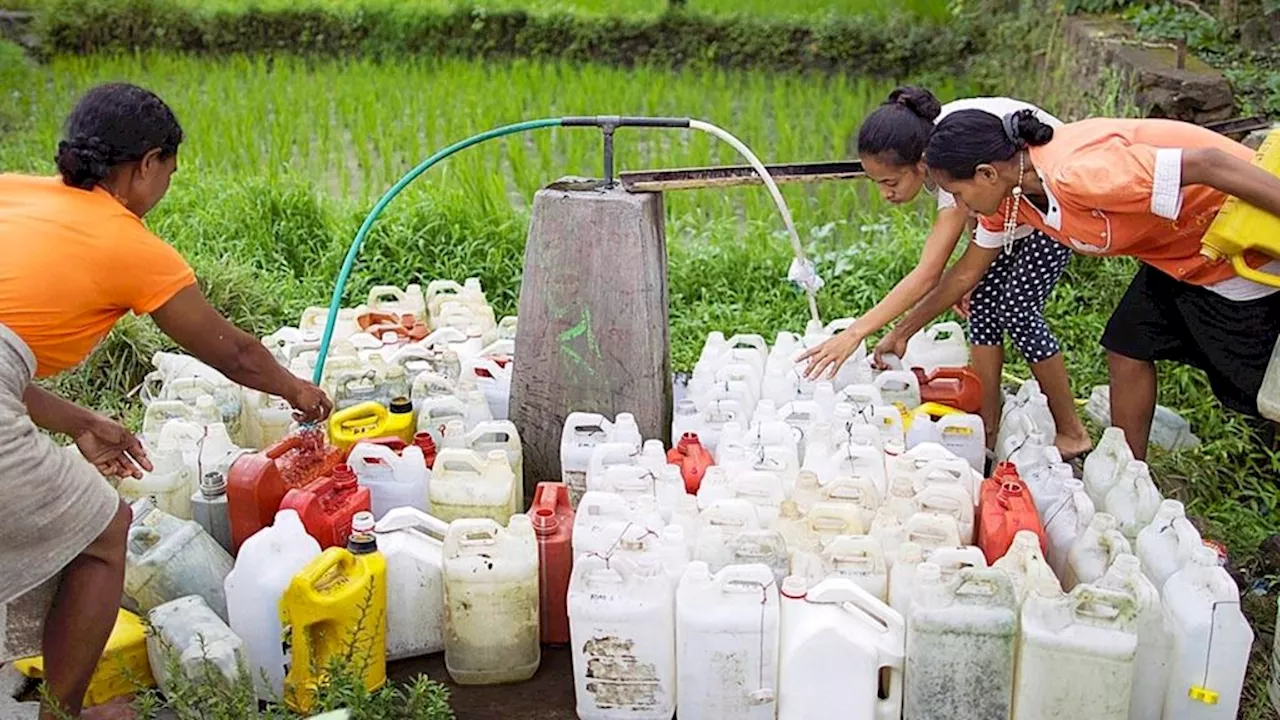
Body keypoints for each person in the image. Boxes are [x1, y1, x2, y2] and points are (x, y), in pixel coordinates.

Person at [0, 83, 333, 720]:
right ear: (147, 163)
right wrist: (298, 390)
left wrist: (83, 421)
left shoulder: (15, 192)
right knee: (105, 531)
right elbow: (233, 353)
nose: (165, 188)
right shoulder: (127, 244)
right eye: (169, 173)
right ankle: (58, 713)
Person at [878, 107, 1280, 460]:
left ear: (986, 173)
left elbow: (1210, 164)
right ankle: (1129, 470)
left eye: (959, 194)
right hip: (1175, 257)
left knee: (1258, 388)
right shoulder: (1012, 198)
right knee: (1128, 344)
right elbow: (966, 273)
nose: (960, 208)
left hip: (1232, 252)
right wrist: (902, 332)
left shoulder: (1077, 174)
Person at [800, 87, 1092, 460]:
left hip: (1050, 197)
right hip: (1008, 203)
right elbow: (964, 261)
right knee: (984, 305)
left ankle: (1072, 431)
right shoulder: (938, 149)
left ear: (921, 165)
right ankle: (987, 427)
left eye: (890, 182)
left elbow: (933, 274)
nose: (885, 195)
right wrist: (902, 331)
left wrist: (858, 332)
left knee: (1017, 308)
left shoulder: (949, 156)